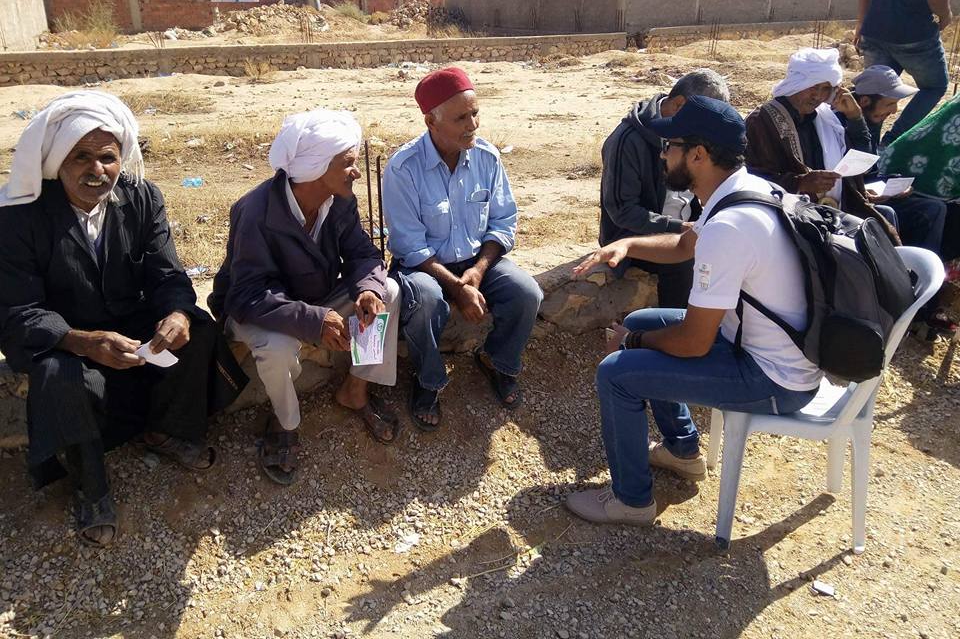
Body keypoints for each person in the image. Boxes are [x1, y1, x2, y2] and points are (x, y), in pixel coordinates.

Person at [0, 91, 246, 547]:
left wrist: (174, 312)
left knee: (198, 325)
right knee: (59, 376)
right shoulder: (19, 217)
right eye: (82, 158)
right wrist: (83, 341)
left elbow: (168, 273)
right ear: (57, 161)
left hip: (130, 327)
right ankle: (91, 488)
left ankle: (165, 431)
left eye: (108, 158)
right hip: (69, 338)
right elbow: (17, 311)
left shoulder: (140, 197)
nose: (97, 171)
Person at [564, 96, 822, 526]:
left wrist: (629, 344)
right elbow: (686, 243)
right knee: (639, 320)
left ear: (698, 155)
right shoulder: (748, 191)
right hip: (777, 352)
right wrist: (626, 243)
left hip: (775, 378)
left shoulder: (729, 228)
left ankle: (631, 501)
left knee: (617, 372)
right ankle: (683, 450)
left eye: (671, 147)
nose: (663, 155)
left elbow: (693, 341)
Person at [209, 110, 401, 485]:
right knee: (278, 348)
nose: (356, 171)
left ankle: (355, 390)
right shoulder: (255, 212)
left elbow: (362, 254)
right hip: (255, 310)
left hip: (312, 302)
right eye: (347, 163)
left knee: (387, 291)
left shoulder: (339, 200)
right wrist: (314, 320)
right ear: (316, 167)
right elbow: (246, 293)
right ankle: (284, 421)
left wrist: (367, 290)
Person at [382, 67, 543, 432]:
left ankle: (497, 361)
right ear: (431, 120)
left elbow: (503, 222)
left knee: (527, 293)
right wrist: (457, 287)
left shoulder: (487, 158)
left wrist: (477, 272)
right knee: (425, 301)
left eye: (475, 113)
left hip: (476, 262)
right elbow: (409, 246)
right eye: (460, 117)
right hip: (424, 268)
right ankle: (428, 380)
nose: (472, 124)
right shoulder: (403, 169)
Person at [599, 69, 730, 308]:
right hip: (634, 237)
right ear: (679, 105)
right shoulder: (628, 140)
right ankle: (679, 332)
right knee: (684, 259)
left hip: (685, 228)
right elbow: (622, 211)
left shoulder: (694, 134)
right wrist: (679, 228)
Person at [744, 47, 899, 242]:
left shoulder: (826, 120)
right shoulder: (762, 120)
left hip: (833, 211)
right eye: (813, 87)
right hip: (791, 216)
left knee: (885, 224)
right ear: (797, 83)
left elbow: (861, 163)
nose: (817, 96)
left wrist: (856, 118)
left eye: (825, 89)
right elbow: (752, 177)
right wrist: (800, 182)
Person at [855, 0, 960, 145]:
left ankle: (864, 153)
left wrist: (862, 22)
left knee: (875, 95)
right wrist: (945, 16)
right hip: (914, 34)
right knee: (935, 85)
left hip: (875, 29)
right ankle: (891, 144)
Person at [851, 65, 947, 255]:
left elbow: (870, 171)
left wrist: (892, 183)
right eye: (889, 104)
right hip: (852, 199)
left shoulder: (872, 119)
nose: (894, 111)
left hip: (869, 193)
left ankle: (921, 269)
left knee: (935, 208)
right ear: (864, 101)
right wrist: (864, 192)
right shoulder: (842, 124)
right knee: (888, 214)